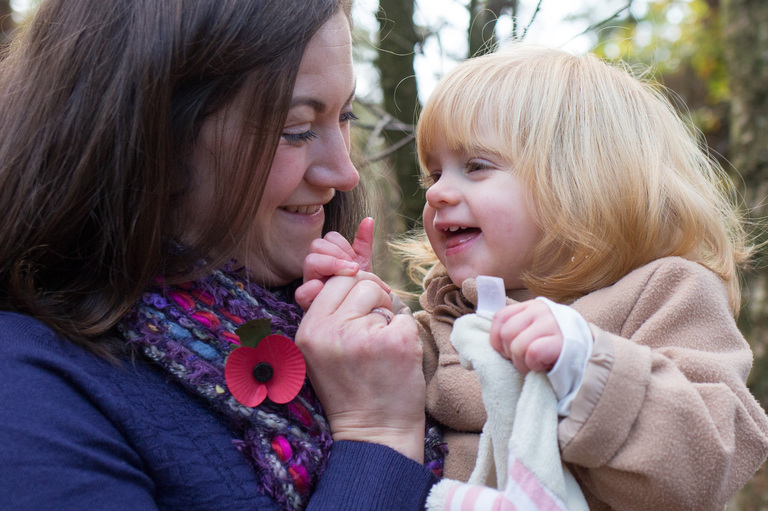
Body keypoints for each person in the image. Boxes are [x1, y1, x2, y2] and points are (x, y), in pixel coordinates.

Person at [0, 1, 436, 510]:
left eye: (345, 117)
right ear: (150, 137)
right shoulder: (29, 391)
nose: (345, 173)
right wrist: (377, 437)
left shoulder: (336, 326)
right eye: (295, 129)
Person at [299, 43, 768, 510]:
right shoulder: (447, 322)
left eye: (476, 166)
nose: (439, 191)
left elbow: (717, 450)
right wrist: (361, 306)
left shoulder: (666, 292)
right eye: (434, 174)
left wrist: (589, 371)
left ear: (582, 182)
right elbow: (385, 387)